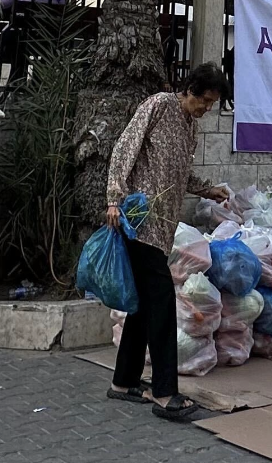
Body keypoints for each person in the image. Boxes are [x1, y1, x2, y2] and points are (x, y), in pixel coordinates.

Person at [104, 63, 233, 421]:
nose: (206, 109)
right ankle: (164, 392)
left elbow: (180, 174)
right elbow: (123, 150)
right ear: (191, 89)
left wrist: (207, 189)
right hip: (139, 221)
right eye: (205, 101)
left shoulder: (190, 127)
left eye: (212, 104)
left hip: (162, 229)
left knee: (144, 306)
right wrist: (114, 197)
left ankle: (123, 382)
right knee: (161, 303)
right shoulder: (159, 106)